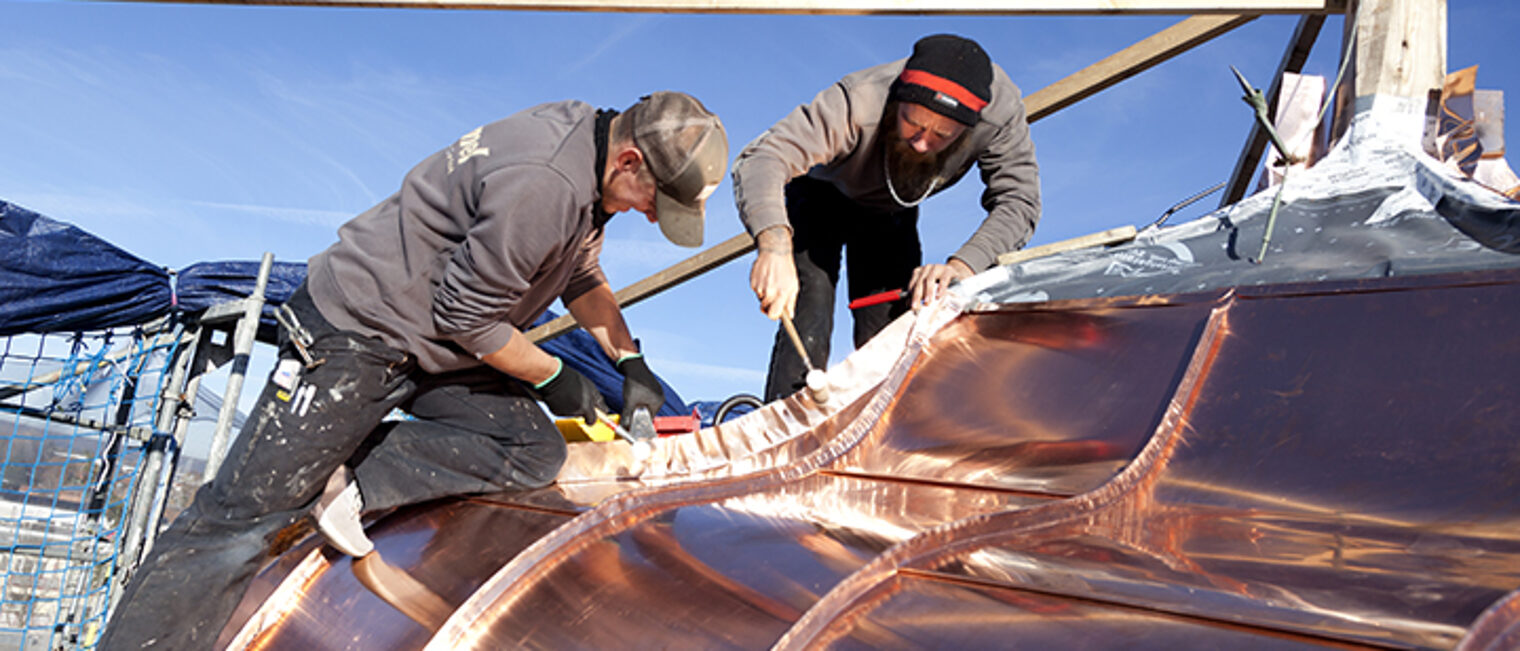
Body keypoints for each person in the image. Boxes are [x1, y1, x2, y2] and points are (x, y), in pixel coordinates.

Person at [101, 91, 728, 648]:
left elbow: (582, 274)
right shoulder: (545, 183)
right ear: (630, 162)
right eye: (655, 201)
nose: (651, 217)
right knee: (236, 524)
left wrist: (629, 359)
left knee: (527, 445)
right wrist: (554, 378)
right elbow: (470, 319)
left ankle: (348, 480)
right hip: (358, 332)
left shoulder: (588, 157)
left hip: (428, 344)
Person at [733, 34, 1041, 402]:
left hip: (891, 209)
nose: (922, 143)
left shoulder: (1000, 113)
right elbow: (763, 157)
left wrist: (963, 266)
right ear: (898, 102)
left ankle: (890, 429)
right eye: (912, 124)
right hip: (819, 192)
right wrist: (774, 246)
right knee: (809, 309)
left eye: (941, 135)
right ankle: (787, 422)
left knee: (890, 329)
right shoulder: (857, 100)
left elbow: (1020, 200)